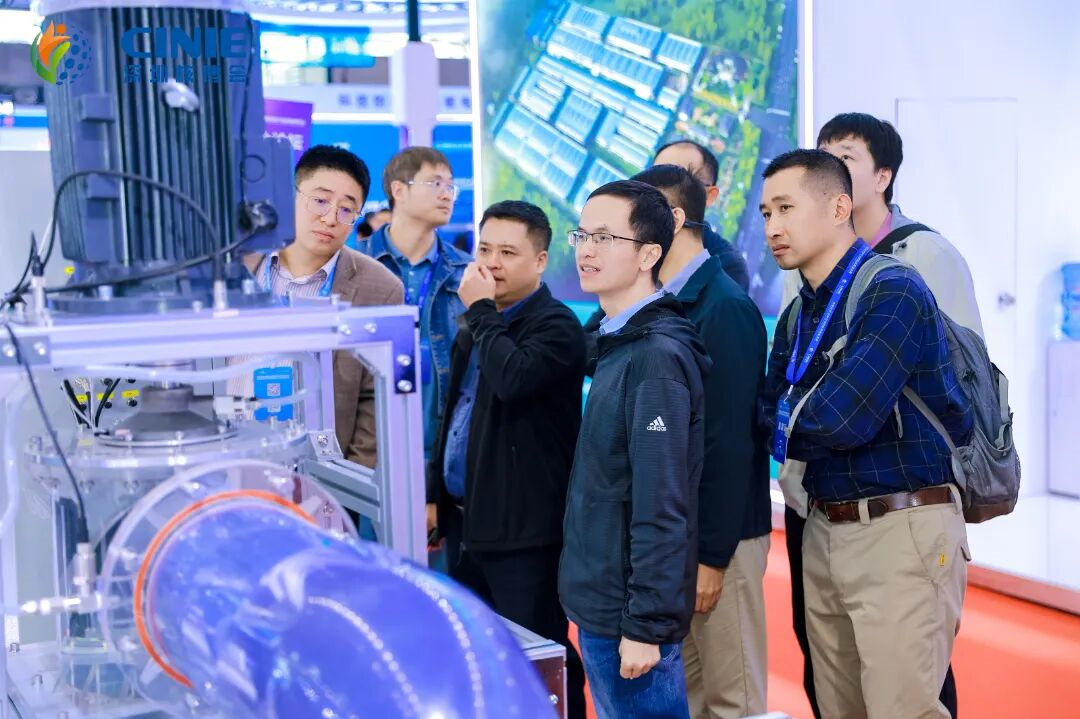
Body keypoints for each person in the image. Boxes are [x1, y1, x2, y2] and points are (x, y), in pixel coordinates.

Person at [779, 113, 984, 718]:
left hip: (902, 499)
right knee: (834, 690)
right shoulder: (806, 277)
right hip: (819, 502)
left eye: (845, 157)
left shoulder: (918, 262)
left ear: (882, 177)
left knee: (907, 691)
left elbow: (957, 379)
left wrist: (805, 416)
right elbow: (785, 390)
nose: (829, 166)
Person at [427, 200, 588, 719]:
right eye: (485, 249)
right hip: (466, 520)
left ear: (540, 261)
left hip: (525, 532)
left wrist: (481, 313)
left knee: (540, 660)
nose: (491, 263)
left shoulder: (556, 326)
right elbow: (454, 413)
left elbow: (512, 379)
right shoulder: (478, 325)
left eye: (508, 253)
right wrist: (434, 495)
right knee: (477, 658)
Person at [559, 180, 709, 719]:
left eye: (604, 237)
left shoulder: (655, 356)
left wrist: (646, 626)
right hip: (603, 600)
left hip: (627, 613)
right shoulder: (617, 337)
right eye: (582, 234)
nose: (586, 249)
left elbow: (661, 502)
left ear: (648, 254)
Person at [632, 164, 771, 718]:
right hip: (677, 536)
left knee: (733, 698)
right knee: (689, 696)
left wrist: (712, 557)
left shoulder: (724, 307)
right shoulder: (662, 300)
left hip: (721, 541)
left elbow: (729, 442)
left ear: (673, 219)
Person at [238, 145, 404, 467]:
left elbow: (374, 402)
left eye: (346, 209)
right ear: (291, 197)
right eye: (320, 201)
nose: (330, 218)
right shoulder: (237, 268)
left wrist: (345, 485)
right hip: (232, 458)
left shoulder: (380, 289)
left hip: (321, 472)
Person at [353, 147, 471, 473]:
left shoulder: (466, 272)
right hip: (369, 449)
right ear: (399, 190)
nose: (447, 194)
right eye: (435, 183)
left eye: (450, 185)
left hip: (443, 452)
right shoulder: (355, 265)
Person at [653, 139, 750, 291]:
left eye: (673, 180)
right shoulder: (628, 239)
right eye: (652, 179)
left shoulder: (727, 265)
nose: (658, 191)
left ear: (709, 196)